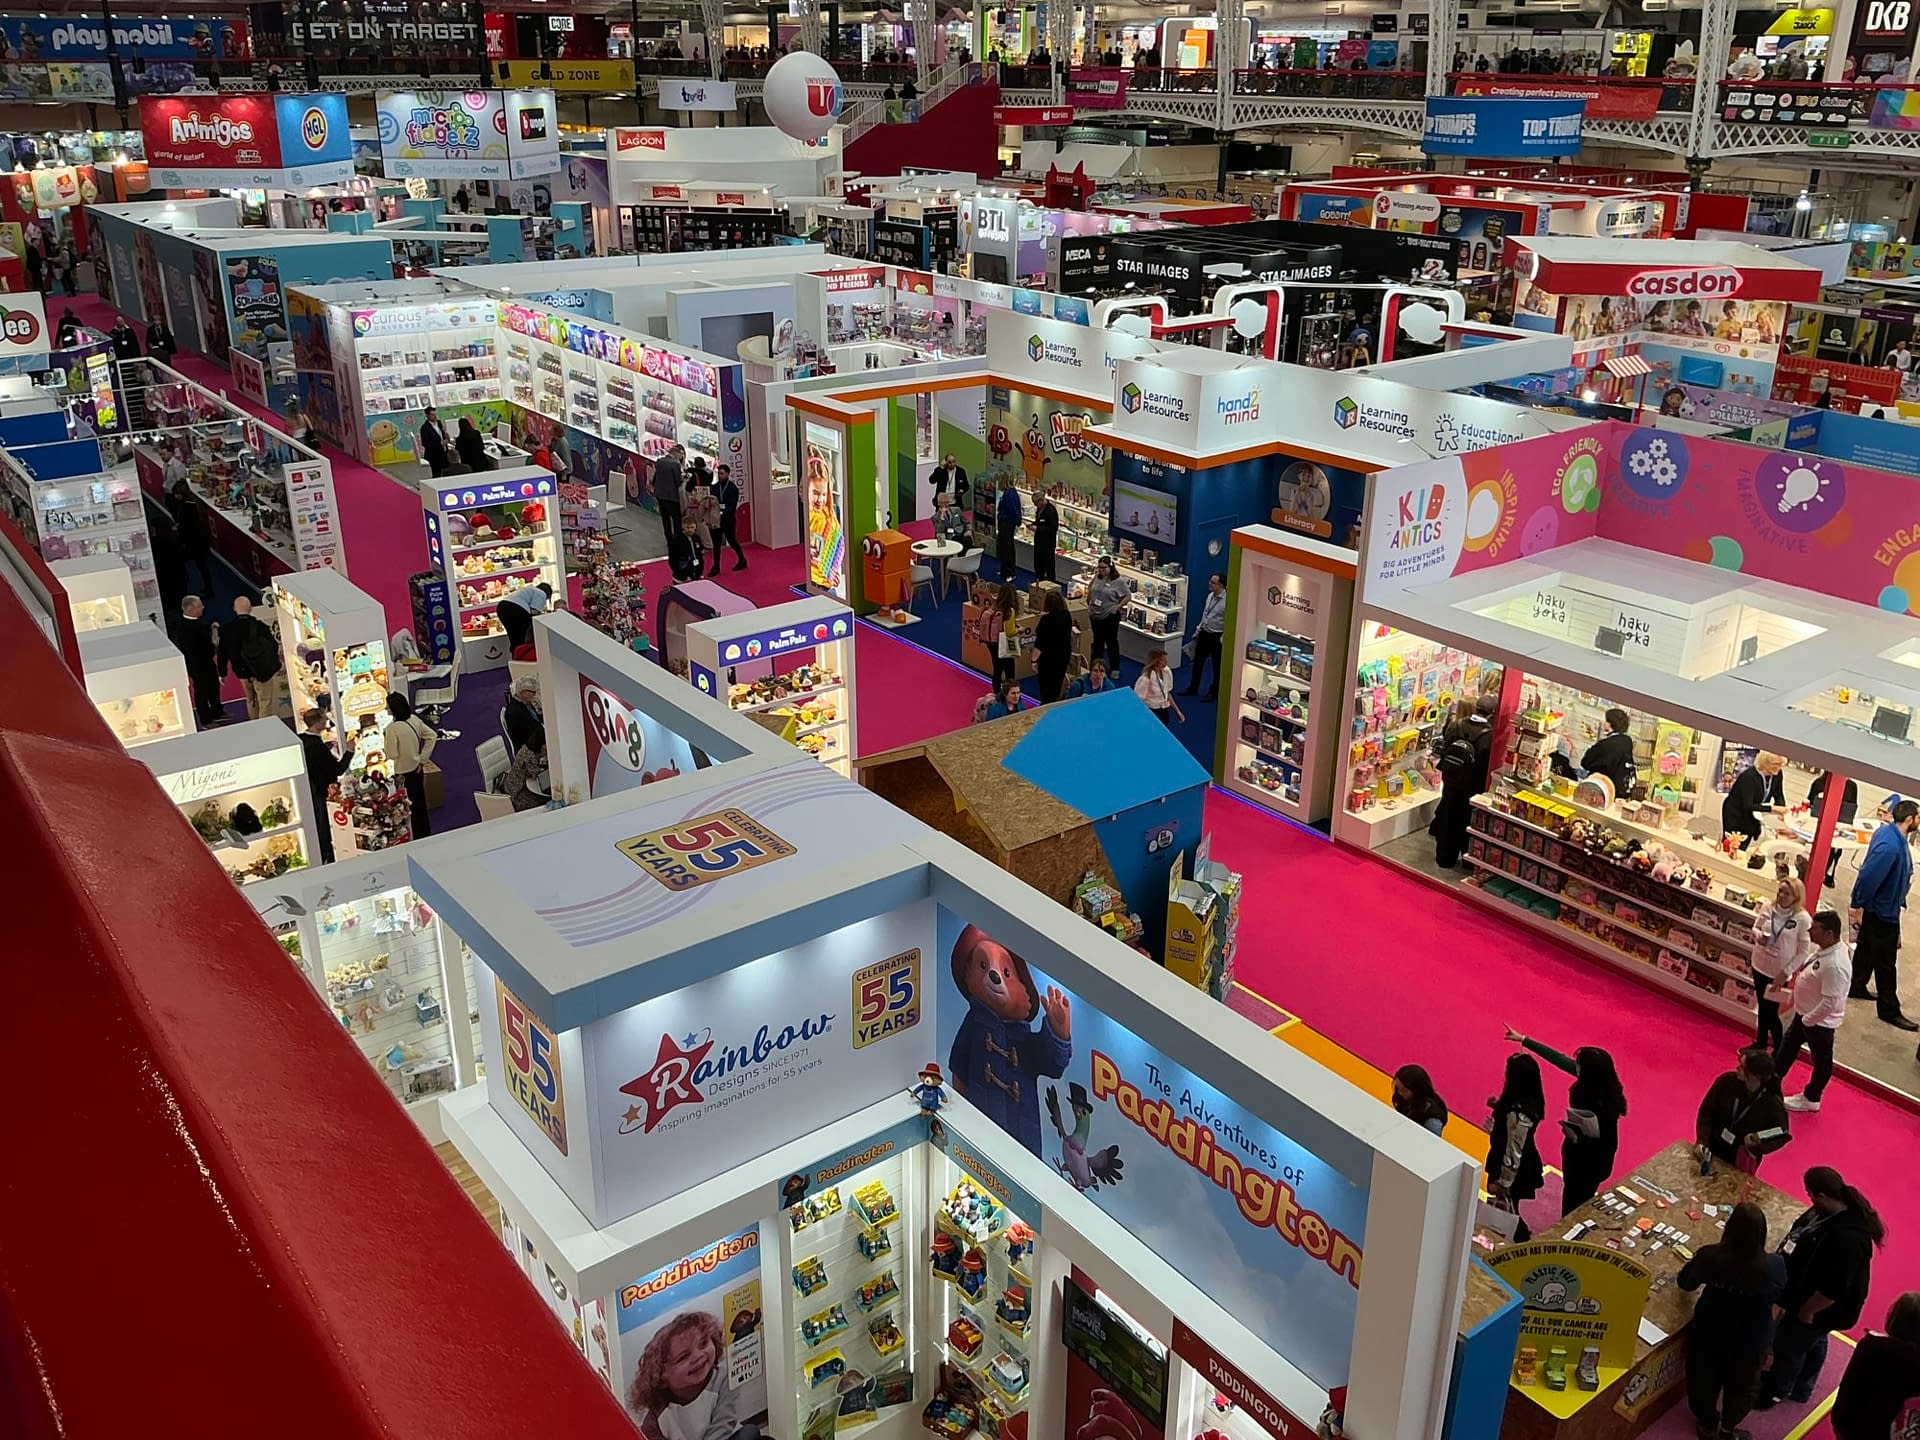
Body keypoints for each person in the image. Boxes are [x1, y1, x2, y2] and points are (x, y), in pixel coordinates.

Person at [1760, 1167, 1886, 1410]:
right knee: (1814, 1341)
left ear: (1823, 1195)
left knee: (1789, 1347)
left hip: (1818, 1309)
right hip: (1812, 1303)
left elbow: (1832, 1290)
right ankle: (1803, 1388)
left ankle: (1777, 1390)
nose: (1809, 1199)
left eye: (1810, 1194)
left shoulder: (1847, 1241)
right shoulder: (1828, 1213)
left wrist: (1807, 1312)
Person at [1678, 1201, 1786, 1438]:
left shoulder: (1710, 1256)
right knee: (1743, 1388)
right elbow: (1780, 1298)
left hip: (1709, 1333)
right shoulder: (1775, 1265)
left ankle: (1707, 1425)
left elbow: (1685, 1282)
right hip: (1750, 1341)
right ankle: (1728, 1429)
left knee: (1702, 1382)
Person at [1503, 1027, 1626, 1212]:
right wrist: (1524, 1040)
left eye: (1579, 1066)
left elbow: (1606, 1145)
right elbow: (1560, 1059)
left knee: (1574, 1202)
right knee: (1574, 1196)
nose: (1575, 1068)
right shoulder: (1598, 1083)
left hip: (1588, 1163)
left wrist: (1577, 1138)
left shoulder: (1605, 1107)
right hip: (1578, 1156)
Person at [1773, 909, 1852, 1113]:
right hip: (1805, 1015)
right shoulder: (1825, 951)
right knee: (1786, 1049)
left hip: (1818, 1023)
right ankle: (1771, 1085)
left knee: (1822, 1062)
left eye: (1815, 929)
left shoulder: (1835, 965)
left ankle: (1812, 1097)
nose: (1809, 931)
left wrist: (1808, 1020)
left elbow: (1830, 1002)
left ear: (1829, 934)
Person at [1850, 798, 1918, 1031]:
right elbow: (1869, 877)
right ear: (1909, 819)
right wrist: (1858, 905)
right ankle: (1889, 1009)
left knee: (1866, 949)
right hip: (1882, 912)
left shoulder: (1891, 835)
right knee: (1886, 964)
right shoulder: (1890, 846)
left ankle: (1856, 984)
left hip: (1883, 907)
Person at [1831, 1291, 1920, 1439]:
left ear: (1894, 1317)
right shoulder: (1915, 1361)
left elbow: (1849, 1385)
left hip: (1854, 1422)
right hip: (1888, 1429)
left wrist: (1838, 1421)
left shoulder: (1870, 1345)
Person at [1695, 1047, 1791, 1174]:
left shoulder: (1773, 1104)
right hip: (1712, 1146)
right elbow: (1706, 1112)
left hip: (1740, 1159)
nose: (1737, 1068)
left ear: (1756, 1076)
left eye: (1743, 1067)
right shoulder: (1726, 1082)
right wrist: (1702, 1140)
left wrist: (1756, 1143)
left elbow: (1780, 1133)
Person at [1485, 1051, 1546, 1241]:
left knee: (1508, 1208)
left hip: (1514, 1169)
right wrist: (1499, 1108)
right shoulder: (1530, 1103)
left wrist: (1503, 1182)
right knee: (1510, 1207)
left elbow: (1514, 1151)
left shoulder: (1518, 1115)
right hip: (1521, 1164)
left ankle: (1521, 1239)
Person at [1433, 694, 1497, 868]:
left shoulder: (1456, 724)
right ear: (1492, 713)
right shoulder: (1490, 736)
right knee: (1468, 822)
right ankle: (1468, 861)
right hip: (1473, 786)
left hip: (1451, 781)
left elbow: (1446, 746)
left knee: (1448, 819)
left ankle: (1444, 858)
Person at [1751, 875, 1812, 1050]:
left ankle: (1779, 1049)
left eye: (1787, 893)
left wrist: (1786, 972)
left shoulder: (1803, 919)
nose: (1781, 896)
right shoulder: (1768, 907)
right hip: (1759, 964)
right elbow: (1755, 927)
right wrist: (1757, 936)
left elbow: (1803, 952)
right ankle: (1761, 1043)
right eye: (1780, 891)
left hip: (1778, 973)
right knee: (1762, 1008)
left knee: (1770, 1012)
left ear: (1796, 897)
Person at [297, 709, 351, 864]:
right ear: (318, 722)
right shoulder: (317, 747)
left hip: (309, 791)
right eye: (324, 719)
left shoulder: (301, 740)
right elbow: (337, 769)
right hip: (323, 793)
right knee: (325, 828)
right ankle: (328, 855)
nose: (326, 721)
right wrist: (350, 751)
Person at [217, 596, 283, 721]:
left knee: (250, 700)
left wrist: (222, 673)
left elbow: (222, 653)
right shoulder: (260, 626)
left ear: (234, 609)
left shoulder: (227, 629)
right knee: (265, 701)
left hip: (241, 672)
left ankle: (254, 723)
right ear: (251, 608)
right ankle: (264, 727)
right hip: (262, 671)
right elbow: (273, 646)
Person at [383, 693, 438, 839]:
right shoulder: (414, 720)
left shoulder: (392, 729)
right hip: (417, 768)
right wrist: (422, 759)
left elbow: (392, 754)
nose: (386, 709)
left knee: (405, 807)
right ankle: (425, 833)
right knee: (420, 802)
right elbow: (432, 736)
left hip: (402, 773)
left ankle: (412, 836)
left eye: (388, 707)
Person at [172, 594, 224, 727]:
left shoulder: (196, 622)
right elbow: (193, 649)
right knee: (202, 692)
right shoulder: (184, 628)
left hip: (207, 662)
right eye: (200, 606)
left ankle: (217, 712)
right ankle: (206, 720)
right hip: (197, 666)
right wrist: (212, 644)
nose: (203, 607)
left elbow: (201, 630)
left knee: (214, 687)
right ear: (191, 609)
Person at [1722, 750, 1787, 851]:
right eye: (1775, 764)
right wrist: (1772, 808)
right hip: (1736, 813)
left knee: (1743, 846)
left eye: (1781, 764)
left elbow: (1778, 795)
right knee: (1731, 845)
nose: (1778, 767)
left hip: (1754, 814)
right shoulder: (1749, 777)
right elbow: (1747, 805)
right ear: (1764, 762)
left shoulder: (1777, 774)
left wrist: (1782, 811)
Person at [1808, 771, 1859, 888]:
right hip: (1819, 823)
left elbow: (1851, 809)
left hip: (1840, 825)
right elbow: (1810, 804)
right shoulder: (1819, 783)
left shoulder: (1852, 786)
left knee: (1837, 848)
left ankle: (1829, 873)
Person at [1182, 573, 1226, 701]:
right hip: (1204, 633)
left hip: (1217, 637)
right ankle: (1193, 687)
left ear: (1221, 585)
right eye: (1210, 581)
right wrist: (1197, 631)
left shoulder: (1227, 601)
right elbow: (1205, 615)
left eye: (1213, 582)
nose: (1209, 584)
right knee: (1197, 662)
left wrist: (1223, 638)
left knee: (1216, 666)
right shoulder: (1210, 596)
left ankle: (1213, 692)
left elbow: (1229, 622)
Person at [1579, 707, 1639, 797]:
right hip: (1621, 789)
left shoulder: (1607, 744)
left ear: (1610, 723)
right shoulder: (1627, 742)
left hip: (1603, 790)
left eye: (1606, 721)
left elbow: (1585, 762)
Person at [1086, 556, 1128, 676]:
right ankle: (1095, 667)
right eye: (1099, 567)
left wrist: (1117, 607)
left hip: (1109, 616)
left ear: (1111, 567)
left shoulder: (1119, 581)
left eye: (1104, 568)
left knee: (1111, 642)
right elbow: (1091, 588)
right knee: (1097, 642)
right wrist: (1088, 600)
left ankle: (1114, 668)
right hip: (1095, 614)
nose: (1101, 570)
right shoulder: (1097, 577)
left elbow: (1127, 596)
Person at [1032, 589, 1075, 703]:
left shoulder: (1045, 620)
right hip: (1063, 656)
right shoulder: (1066, 616)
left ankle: (1046, 705)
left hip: (1048, 659)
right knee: (1057, 684)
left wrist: (1034, 660)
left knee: (1045, 688)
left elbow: (1039, 644)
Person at [495, 580, 553, 653]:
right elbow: (534, 613)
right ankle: (524, 655)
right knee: (522, 636)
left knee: (514, 636)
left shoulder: (528, 590)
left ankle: (516, 655)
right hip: (516, 609)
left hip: (502, 607)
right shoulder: (541, 593)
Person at [1391, 1064, 1449, 1135]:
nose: (1399, 1093)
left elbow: (1432, 1140)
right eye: (1398, 1087)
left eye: (1404, 1090)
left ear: (1417, 1090)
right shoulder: (1405, 1097)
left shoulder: (1432, 1121)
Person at [710, 462, 746, 573]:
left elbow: (732, 506)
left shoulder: (732, 488)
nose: (719, 475)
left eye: (722, 473)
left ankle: (742, 560)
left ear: (727, 474)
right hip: (716, 519)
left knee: (732, 540)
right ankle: (716, 566)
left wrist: (723, 513)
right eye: (718, 473)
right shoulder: (714, 487)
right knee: (716, 543)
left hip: (728, 519)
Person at [1134, 647, 1183, 727]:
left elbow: (1167, 693)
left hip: (1163, 709)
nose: (1166, 662)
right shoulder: (1145, 679)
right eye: (1163, 660)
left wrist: (1177, 711)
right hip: (1151, 711)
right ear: (1155, 661)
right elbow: (1138, 700)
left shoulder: (1166, 671)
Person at [504, 732, 549, 813]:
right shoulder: (529, 756)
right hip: (517, 793)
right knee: (547, 799)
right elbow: (538, 775)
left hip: (512, 784)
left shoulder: (528, 747)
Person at [504, 673, 544, 755]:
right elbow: (529, 736)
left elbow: (537, 719)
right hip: (528, 749)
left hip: (535, 738)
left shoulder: (525, 702)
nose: (535, 695)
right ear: (525, 692)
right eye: (533, 692)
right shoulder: (515, 712)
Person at [652, 443, 685, 541]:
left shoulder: (660, 461)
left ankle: (669, 539)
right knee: (676, 519)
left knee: (665, 518)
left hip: (660, 494)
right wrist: (683, 477)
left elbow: (655, 478)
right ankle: (677, 539)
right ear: (678, 454)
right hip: (671, 496)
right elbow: (678, 481)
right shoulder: (675, 464)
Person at [995, 474, 1021, 582]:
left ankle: (1010, 572)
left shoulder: (1010, 494)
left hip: (1007, 523)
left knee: (1007, 548)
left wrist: (1018, 521)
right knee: (1004, 547)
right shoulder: (1008, 492)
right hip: (1004, 522)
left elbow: (1014, 510)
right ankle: (1004, 570)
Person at [1031, 492, 1060, 585]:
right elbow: (1039, 521)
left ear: (1041, 500)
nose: (1035, 505)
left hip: (1048, 544)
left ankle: (1051, 586)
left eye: (1036, 503)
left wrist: (1038, 529)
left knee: (1049, 567)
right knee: (1038, 566)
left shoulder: (1051, 511)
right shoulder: (1040, 509)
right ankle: (1039, 584)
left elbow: (1053, 528)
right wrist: (1033, 524)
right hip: (1038, 542)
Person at [417, 407, 451, 477]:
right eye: (432, 415)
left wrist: (446, 438)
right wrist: (440, 444)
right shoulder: (425, 428)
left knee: (448, 470)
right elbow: (425, 443)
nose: (435, 416)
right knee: (437, 473)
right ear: (427, 416)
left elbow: (442, 435)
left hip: (444, 452)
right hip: (434, 455)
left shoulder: (439, 423)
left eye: (435, 414)